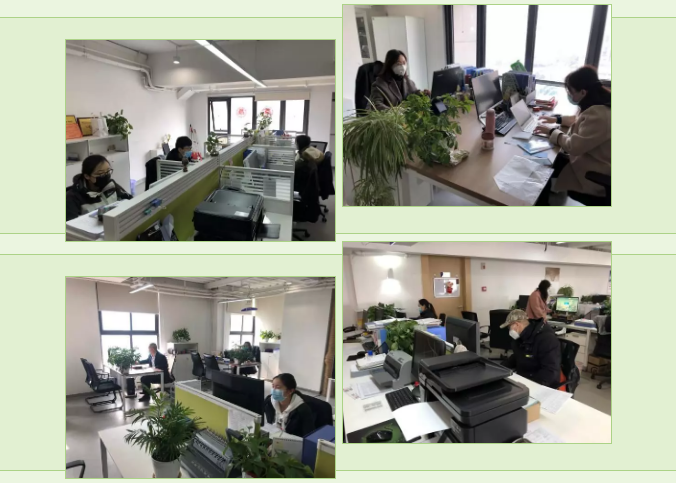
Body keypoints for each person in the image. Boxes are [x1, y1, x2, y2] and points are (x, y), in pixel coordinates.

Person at [534, 66, 611, 204]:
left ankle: (542, 204)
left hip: (595, 174)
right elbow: (579, 121)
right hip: (596, 161)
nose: (569, 95)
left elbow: (573, 146)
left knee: (545, 164)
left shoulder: (598, 115)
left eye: (570, 92)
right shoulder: (600, 103)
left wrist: (551, 132)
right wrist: (556, 119)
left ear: (583, 92)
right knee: (549, 159)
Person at [501, 309, 561, 388]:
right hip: (524, 379)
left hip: (540, 384)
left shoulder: (546, 339)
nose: (509, 330)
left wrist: (529, 387)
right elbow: (517, 356)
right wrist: (500, 369)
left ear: (516, 324)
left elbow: (550, 371)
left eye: (509, 327)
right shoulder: (521, 338)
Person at [66, 154, 132, 221]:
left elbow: (130, 200)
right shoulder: (72, 197)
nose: (105, 176)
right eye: (100, 174)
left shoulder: (110, 185)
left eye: (108, 171)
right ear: (87, 176)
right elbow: (70, 224)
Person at [263, 373, 315, 438]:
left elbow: (309, 436)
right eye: (273, 386)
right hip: (273, 437)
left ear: (290, 391)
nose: (273, 390)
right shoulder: (269, 401)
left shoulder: (302, 409)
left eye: (278, 387)